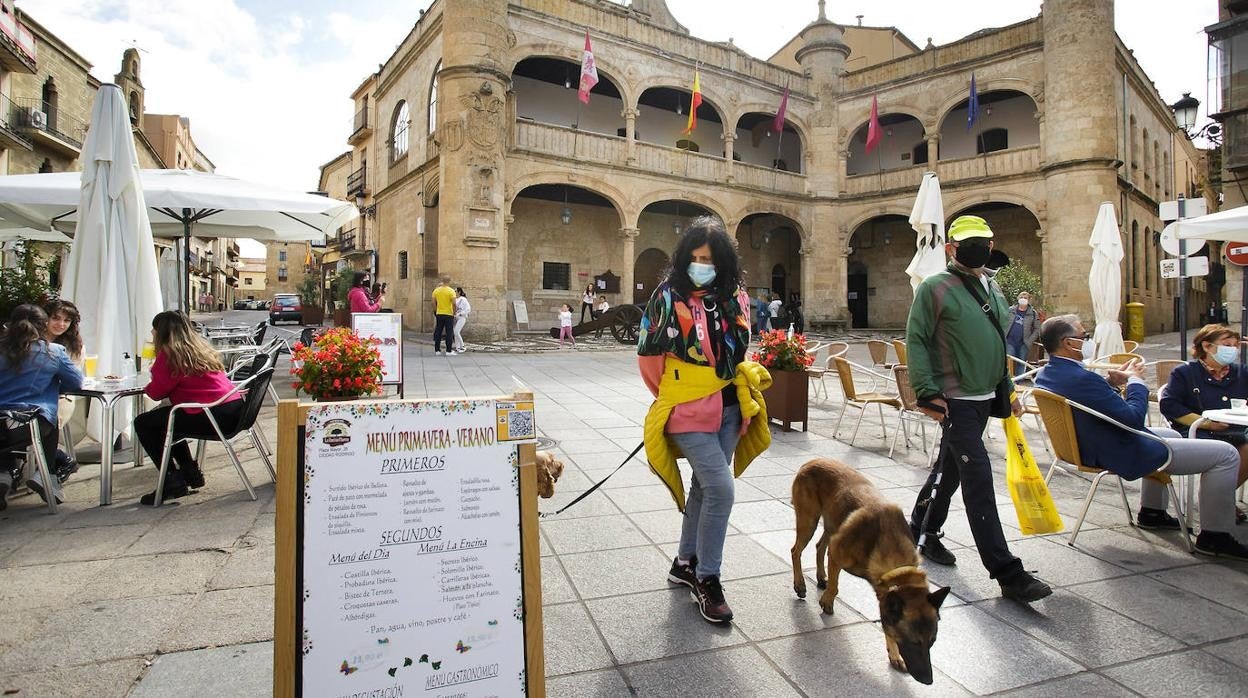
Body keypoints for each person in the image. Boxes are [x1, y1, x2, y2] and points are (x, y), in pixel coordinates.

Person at [907, 214, 1052, 604]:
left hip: (986, 395)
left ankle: (922, 525)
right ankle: (1007, 572)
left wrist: (1006, 390)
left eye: (984, 242)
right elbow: (916, 340)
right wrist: (925, 391)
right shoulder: (934, 288)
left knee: (951, 468)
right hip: (956, 399)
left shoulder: (993, 287)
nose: (978, 249)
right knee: (977, 477)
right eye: (968, 243)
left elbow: (996, 343)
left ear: (991, 245)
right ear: (951, 249)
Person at [638, 216, 771, 624]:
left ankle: (683, 563)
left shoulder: (737, 296)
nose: (702, 265)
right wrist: (680, 393)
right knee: (721, 489)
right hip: (687, 408)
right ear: (684, 259)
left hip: (731, 408)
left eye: (710, 259)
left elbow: (743, 344)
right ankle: (707, 577)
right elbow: (649, 358)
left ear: (724, 263)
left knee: (703, 487)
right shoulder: (666, 296)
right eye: (696, 258)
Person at [1036, 315, 1248, 560]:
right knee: (1226, 453)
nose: (1088, 341)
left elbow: (1090, 402)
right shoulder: (1083, 378)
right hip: (1116, 449)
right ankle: (1215, 536)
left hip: (1087, 444)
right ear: (1068, 343)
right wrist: (1137, 382)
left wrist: (1110, 383)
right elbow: (1134, 419)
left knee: (1168, 433)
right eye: (1084, 337)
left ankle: (1152, 511)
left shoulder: (1049, 372)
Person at [133, 311, 245, 506]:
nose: (151, 332)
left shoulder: (169, 355)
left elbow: (156, 393)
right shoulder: (200, 349)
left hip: (212, 416)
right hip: (234, 411)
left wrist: (149, 380)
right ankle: (190, 474)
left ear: (161, 332)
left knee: (143, 423)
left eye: (154, 328)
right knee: (169, 421)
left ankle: (171, 481)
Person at [1159, 324, 1248, 521]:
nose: (1232, 350)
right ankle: (1219, 504)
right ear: (1207, 346)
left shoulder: (1241, 372)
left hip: (1236, 429)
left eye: (1235, 345)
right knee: (1224, 450)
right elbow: (1169, 405)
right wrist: (1206, 423)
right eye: (1227, 345)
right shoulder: (1185, 373)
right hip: (1197, 430)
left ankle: (1219, 498)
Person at [0, 305, 83, 508]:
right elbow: (76, 383)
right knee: (48, 416)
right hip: (28, 424)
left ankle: (3, 475)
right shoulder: (53, 352)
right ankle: (47, 476)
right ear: (43, 325)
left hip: (2, 423)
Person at [44, 299, 84, 482]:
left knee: (47, 416)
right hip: (33, 394)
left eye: (66, 321)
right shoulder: (31, 339)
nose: (61, 324)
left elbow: (73, 379)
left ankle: (50, 465)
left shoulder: (73, 345)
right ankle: (59, 458)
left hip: (62, 396)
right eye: (56, 318)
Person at [1006, 292, 1041, 377]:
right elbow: (1002, 321)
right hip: (1010, 342)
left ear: (1028, 300)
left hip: (1024, 343)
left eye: (1025, 298)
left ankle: (1018, 383)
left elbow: (1037, 328)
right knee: (1008, 363)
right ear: (1018, 298)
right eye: (1021, 297)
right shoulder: (1010, 310)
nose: (1023, 299)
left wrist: (1030, 340)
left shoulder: (1032, 313)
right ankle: (1009, 383)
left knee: (1021, 364)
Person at [431, 275, 456, 356]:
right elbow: (454, 303)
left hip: (439, 313)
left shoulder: (436, 291)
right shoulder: (451, 291)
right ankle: (449, 351)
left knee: (438, 331)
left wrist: (435, 311)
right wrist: (454, 312)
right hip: (448, 314)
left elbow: (433, 303)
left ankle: (437, 350)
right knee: (449, 332)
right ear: (449, 281)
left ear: (442, 281)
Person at [452, 287, 471, 354]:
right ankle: (457, 348)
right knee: (455, 333)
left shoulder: (463, 299)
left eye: (455, 291)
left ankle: (462, 346)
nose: (454, 292)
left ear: (459, 292)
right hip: (456, 318)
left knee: (456, 332)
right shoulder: (455, 299)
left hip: (462, 318)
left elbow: (468, 309)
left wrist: (461, 314)